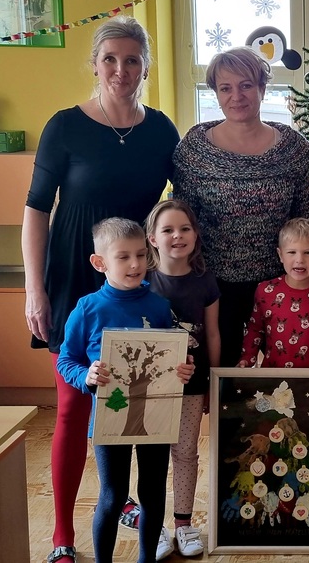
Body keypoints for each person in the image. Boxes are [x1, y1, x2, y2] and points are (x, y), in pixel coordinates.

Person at [23, 15, 180, 563]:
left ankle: (120, 498)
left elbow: (178, 209)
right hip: (73, 274)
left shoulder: (161, 131)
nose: (120, 69)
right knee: (73, 406)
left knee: (135, 399)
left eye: (132, 59)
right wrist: (35, 290)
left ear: (145, 67)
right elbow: (36, 210)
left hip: (136, 280)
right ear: (94, 64)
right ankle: (63, 535)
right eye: (109, 59)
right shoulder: (65, 126)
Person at [173, 46, 309, 371]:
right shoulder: (195, 150)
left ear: (263, 88)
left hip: (280, 284)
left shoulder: (291, 149)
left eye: (246, 85)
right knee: (224, 376)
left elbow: (304, 216)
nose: (236, 96)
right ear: (216, 93)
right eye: (225, 88)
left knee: (283, 375)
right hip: (213, 286)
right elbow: (184, 219)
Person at [55, 218, 195, 563]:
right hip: (110, 418)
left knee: (152, 492)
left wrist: (182, 368)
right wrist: (86, 375)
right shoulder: (87, 308)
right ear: (99, 262)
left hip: (155, 415)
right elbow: (66, 360)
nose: (135, 264)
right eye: (123, 257)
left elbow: (170, 357)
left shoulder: (158, 306)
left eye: (140, 254)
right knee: (113, 496)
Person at [143, 199, 221, 558]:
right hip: (151, 390)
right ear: (152, 238)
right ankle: (153, 525)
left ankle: (184, 524)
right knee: (153, 457)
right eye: (168, 230)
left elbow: (213, 334)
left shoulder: (205, 281)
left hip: (193, 385)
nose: (178, 235)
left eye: (185, 228)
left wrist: (213, 383)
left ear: (195, 234)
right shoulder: (143, 281)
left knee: (186, 452)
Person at [237, 218, 309, 369]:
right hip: (271, 377)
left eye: (308, 252)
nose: (299, 260)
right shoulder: (265, 291)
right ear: (280, 255)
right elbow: (255, 329)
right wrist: (247, 359)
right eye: (291, 252)